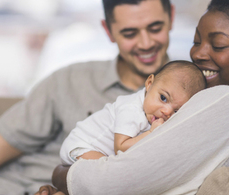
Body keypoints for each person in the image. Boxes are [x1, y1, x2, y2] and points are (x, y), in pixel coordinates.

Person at [36, 0, 229, 194]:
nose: (198, 54)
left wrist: (61, 174)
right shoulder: (202, 97)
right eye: (196, 41)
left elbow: (112, 181)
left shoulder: (225, 100)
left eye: (219, 45)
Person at [0, 0, 174, 194]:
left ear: (171, 18)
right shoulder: (71, 80)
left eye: (155, 28)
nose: (146, 43)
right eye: (129, 33)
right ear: (108, 31)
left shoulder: (190, 100)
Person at [60, 61, 206, 165]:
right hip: (81, 145)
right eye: (163, 98)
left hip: (99, 152)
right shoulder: (132, 109)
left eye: (177, 111)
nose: (166, 112)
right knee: (108, 175)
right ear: (149, 83)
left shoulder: (153, 115)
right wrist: (151, 134)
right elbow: (121, 147)